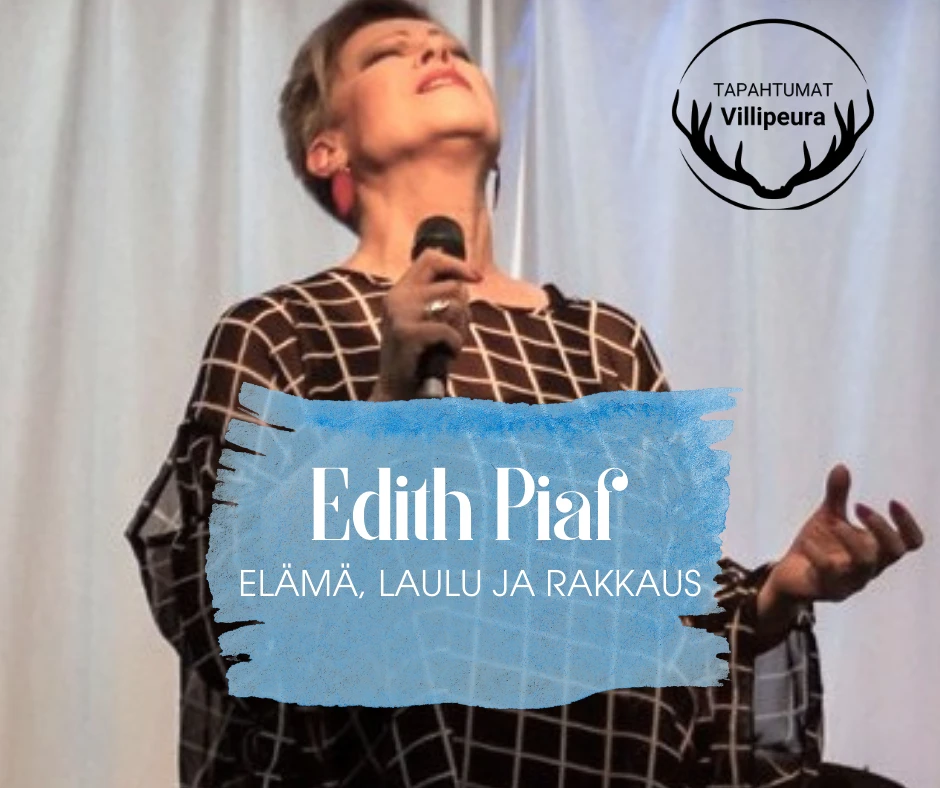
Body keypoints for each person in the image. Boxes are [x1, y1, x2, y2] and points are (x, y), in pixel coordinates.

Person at [125, 1, 925, 786]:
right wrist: (389, 399)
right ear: (327, 149)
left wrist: (778, 591)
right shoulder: (285, 330)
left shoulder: (605, 342)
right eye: (388, 52)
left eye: (451, 48)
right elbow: (226, 599)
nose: (437, 52)